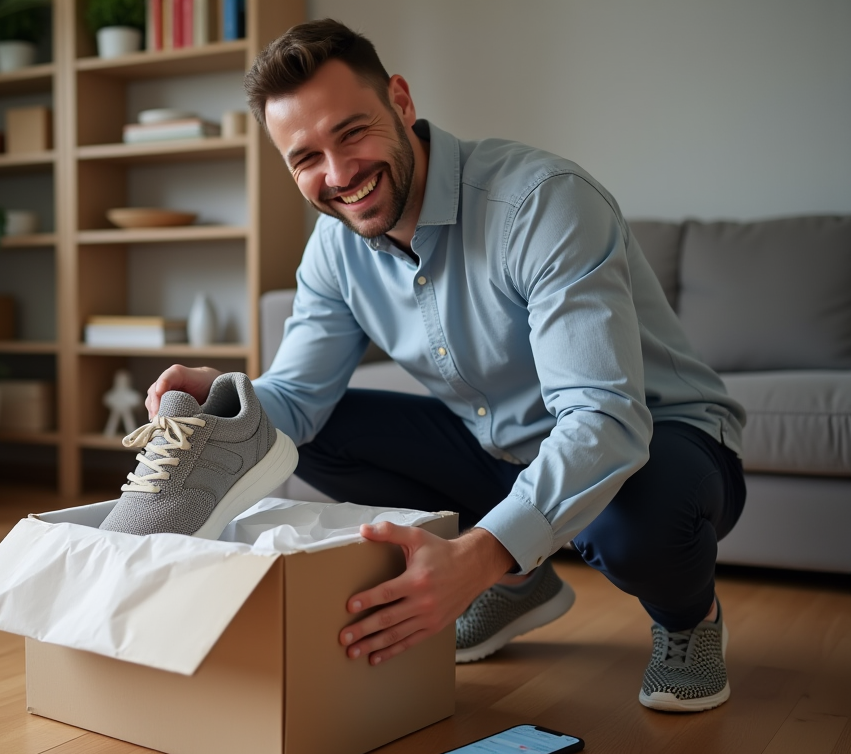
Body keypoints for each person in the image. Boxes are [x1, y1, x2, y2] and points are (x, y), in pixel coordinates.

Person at [144, 19, 746, 713]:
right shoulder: (335, 251)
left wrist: (480, 555)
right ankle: (525, 582)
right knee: (310, 435)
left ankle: (688, 621)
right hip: (506, 449)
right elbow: (299, 399)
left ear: (401, 101)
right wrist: (226, 399)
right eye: (305, 157)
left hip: (663, 440)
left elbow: (605, 422)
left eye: (351, 133)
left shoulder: (540, 203)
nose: (339, 176)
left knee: (631, 526)